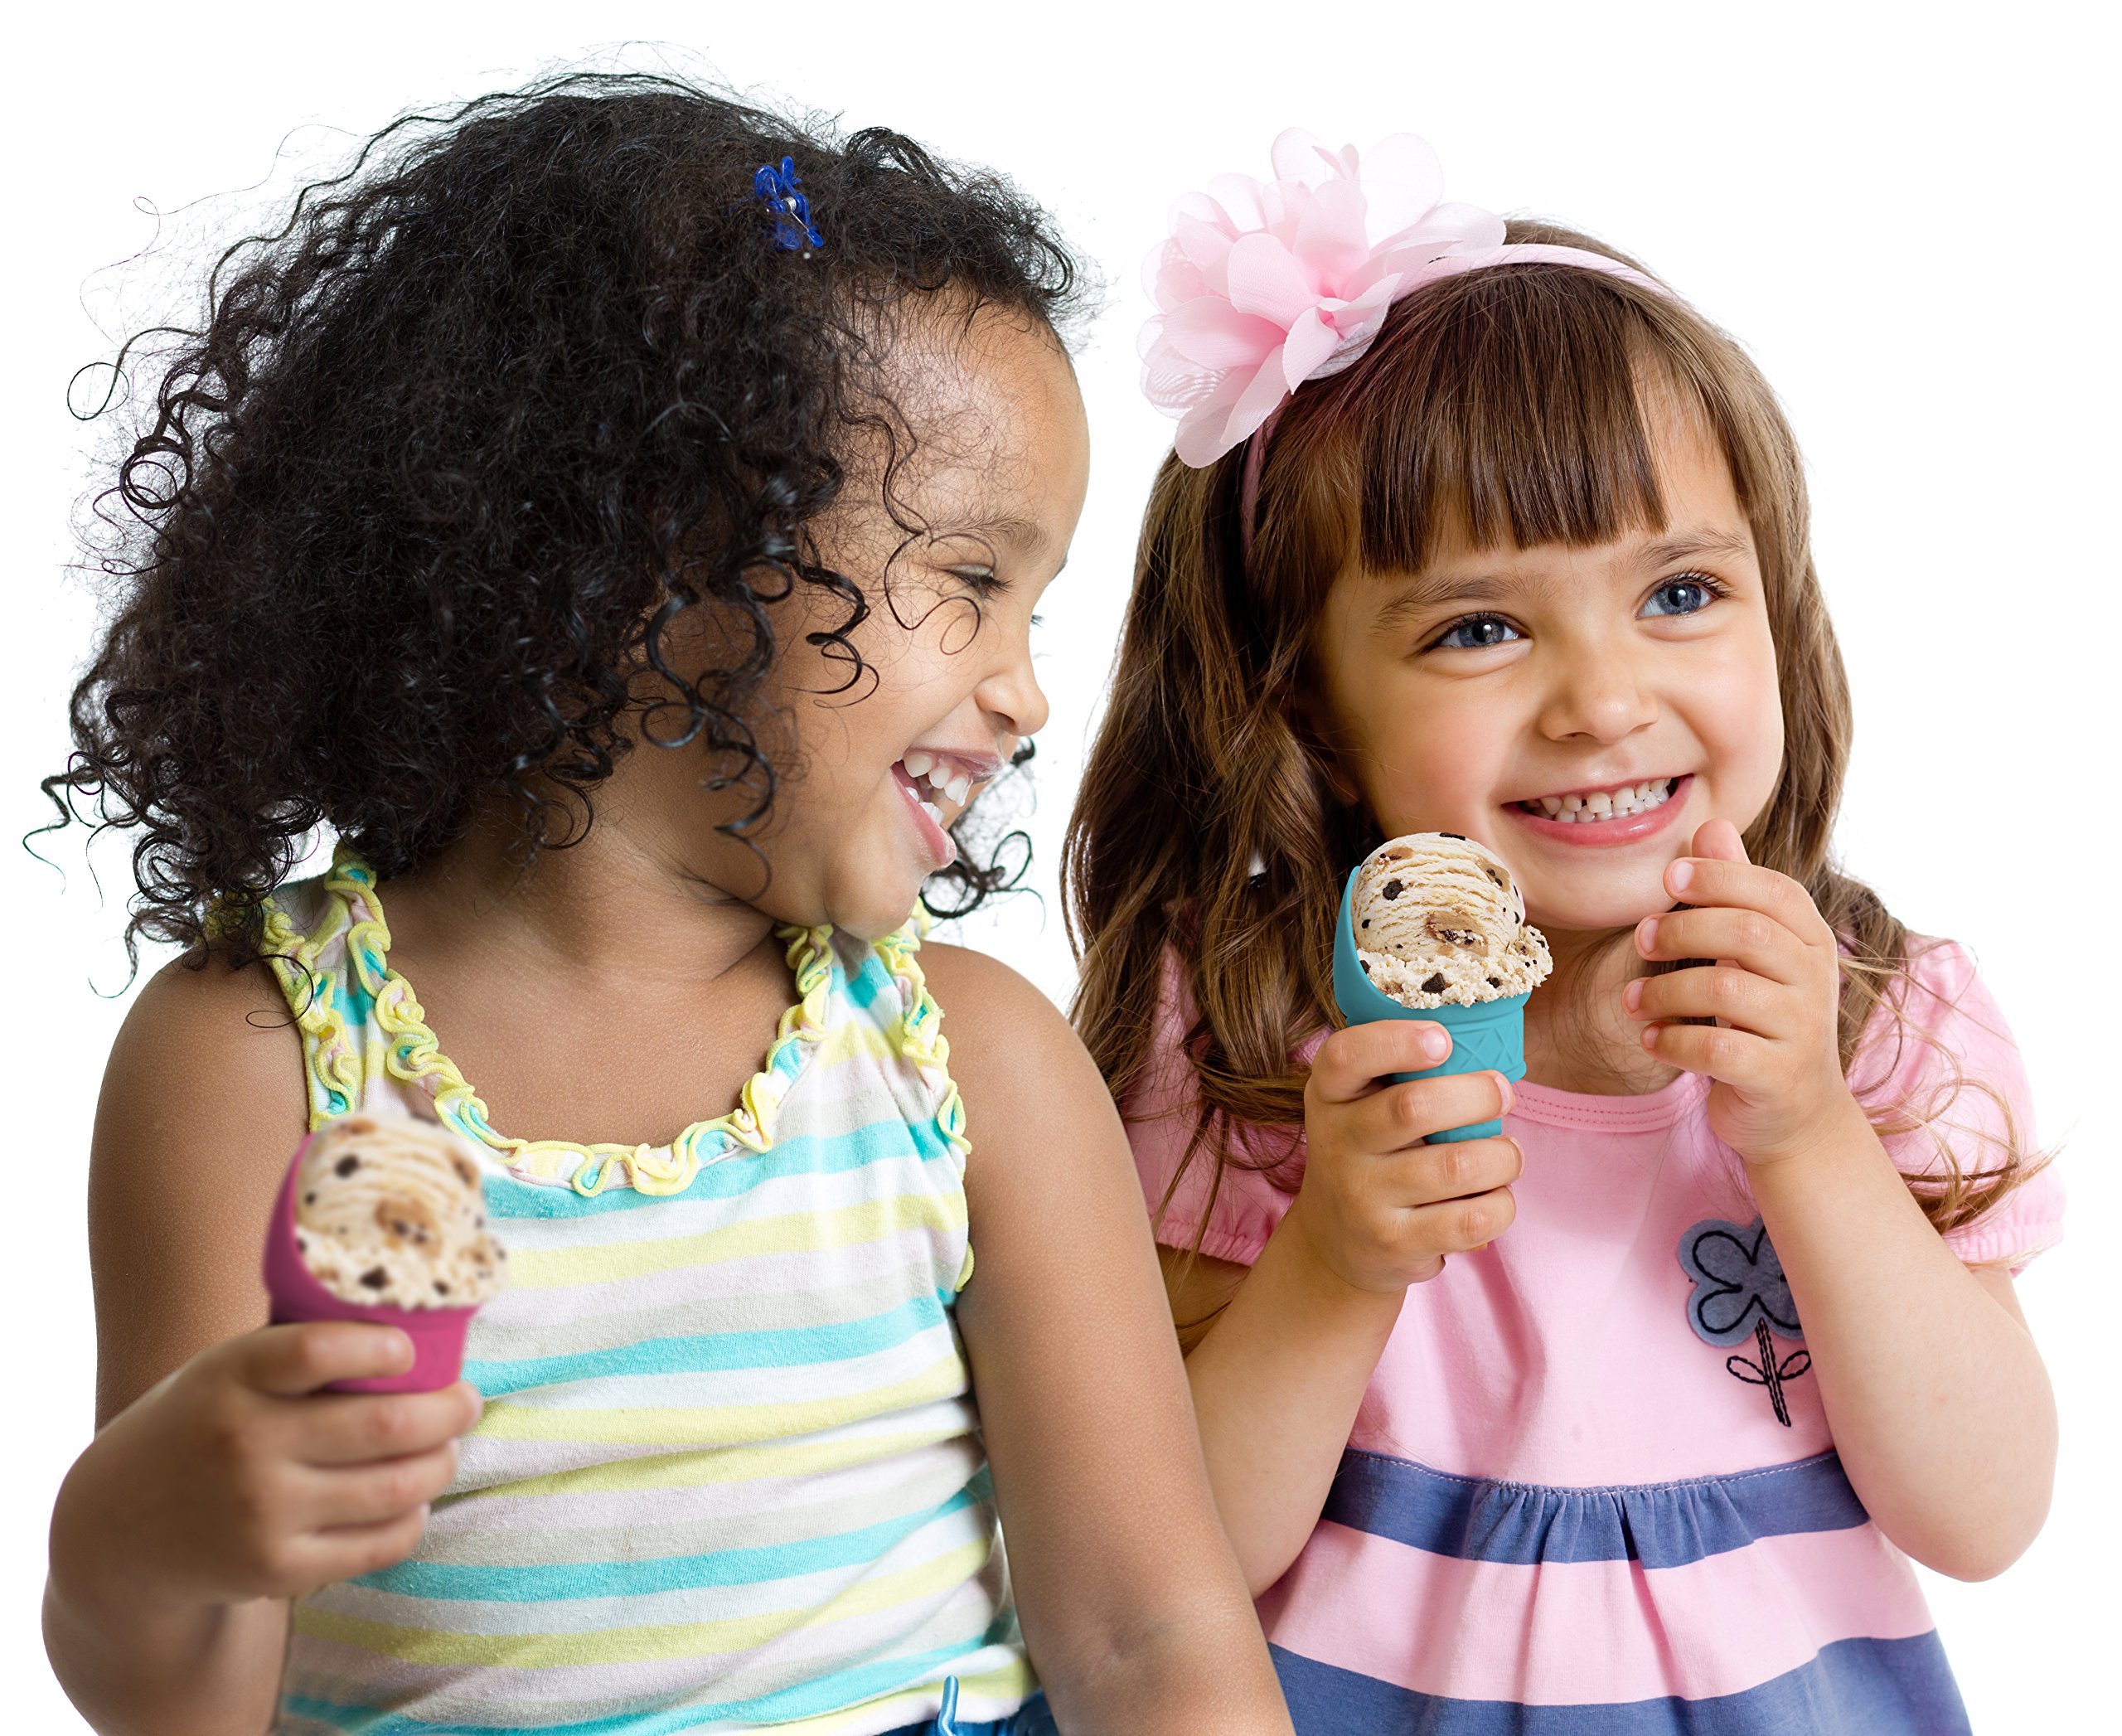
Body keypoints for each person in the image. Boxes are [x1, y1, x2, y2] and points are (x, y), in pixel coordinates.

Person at [41, 75, 1292, 1736]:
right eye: (974, 585)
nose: (1021, 694)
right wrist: (141, 1542)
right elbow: (181, 1710)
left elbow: (1145, 1630)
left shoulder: (958, 1061)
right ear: (662, 556)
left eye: (1032, 609)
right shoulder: (257, 1053)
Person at [1065, 129, 2061, 1733]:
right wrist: (1334, 1258)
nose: (1605, 703)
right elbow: (1163, 1573)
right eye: (1480, 626)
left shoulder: (1877, 1016)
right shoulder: (1247, 1034)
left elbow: (1987, 1509)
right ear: (1311, 706)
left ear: (1778, 607)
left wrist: (1806, 1137)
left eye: (1679, 594)